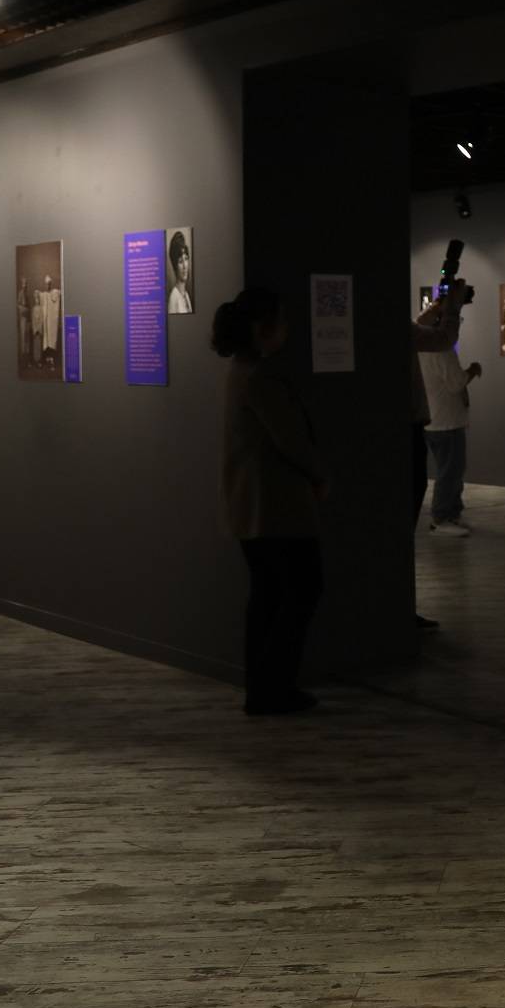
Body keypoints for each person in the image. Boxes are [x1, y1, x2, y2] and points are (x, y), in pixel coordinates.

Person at [212, 287, 329, 716]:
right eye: (281, 320)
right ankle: (273, 687)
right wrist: (319, 475)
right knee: (300, 590)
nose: (287, 328)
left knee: (268, 595)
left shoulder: (241, 371)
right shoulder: (260, 377)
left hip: (253, 506)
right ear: (264, 328)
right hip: (276, 506)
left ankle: (262, 687)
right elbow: (291, 439)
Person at [417, 301, 482, 536]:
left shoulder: (420, 346)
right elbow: (456, 383)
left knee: (450, 469)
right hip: (447, 420)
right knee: (450, 472)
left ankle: (452, 513)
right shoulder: (442, 350)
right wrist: (473, 370)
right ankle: (442, 517)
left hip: (433, 418)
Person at [167, 230, 194, 314]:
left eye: (186, 259)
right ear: (175, 266)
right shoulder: (174, 298)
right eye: (180, 261)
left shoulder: (186, 295)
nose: (185, 266)